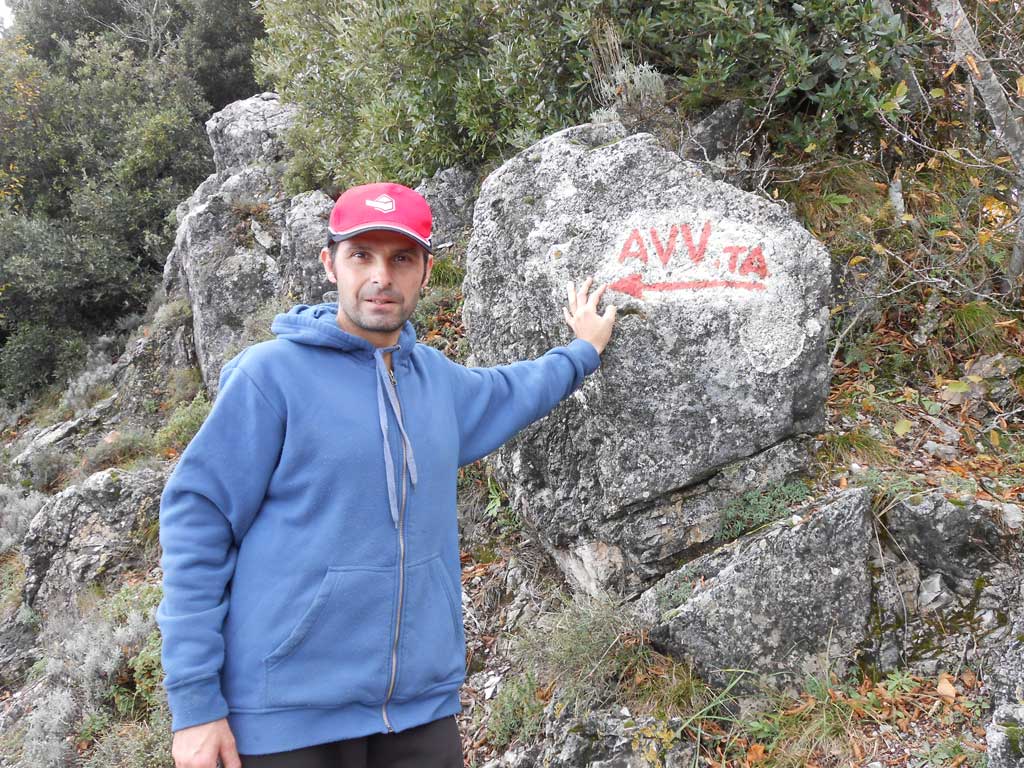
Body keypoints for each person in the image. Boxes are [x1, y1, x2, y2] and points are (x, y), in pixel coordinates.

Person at [156, 181, 618, 768]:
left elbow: (515, 389)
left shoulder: (438, 383)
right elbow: (198, 523)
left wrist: (582, 351)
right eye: (361, 256)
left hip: (419, 712)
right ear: (330, 264)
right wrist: (196, 706)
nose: (381, 276)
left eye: (401, 258)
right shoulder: (270, 377)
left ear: (425, 270)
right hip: (285, 719)